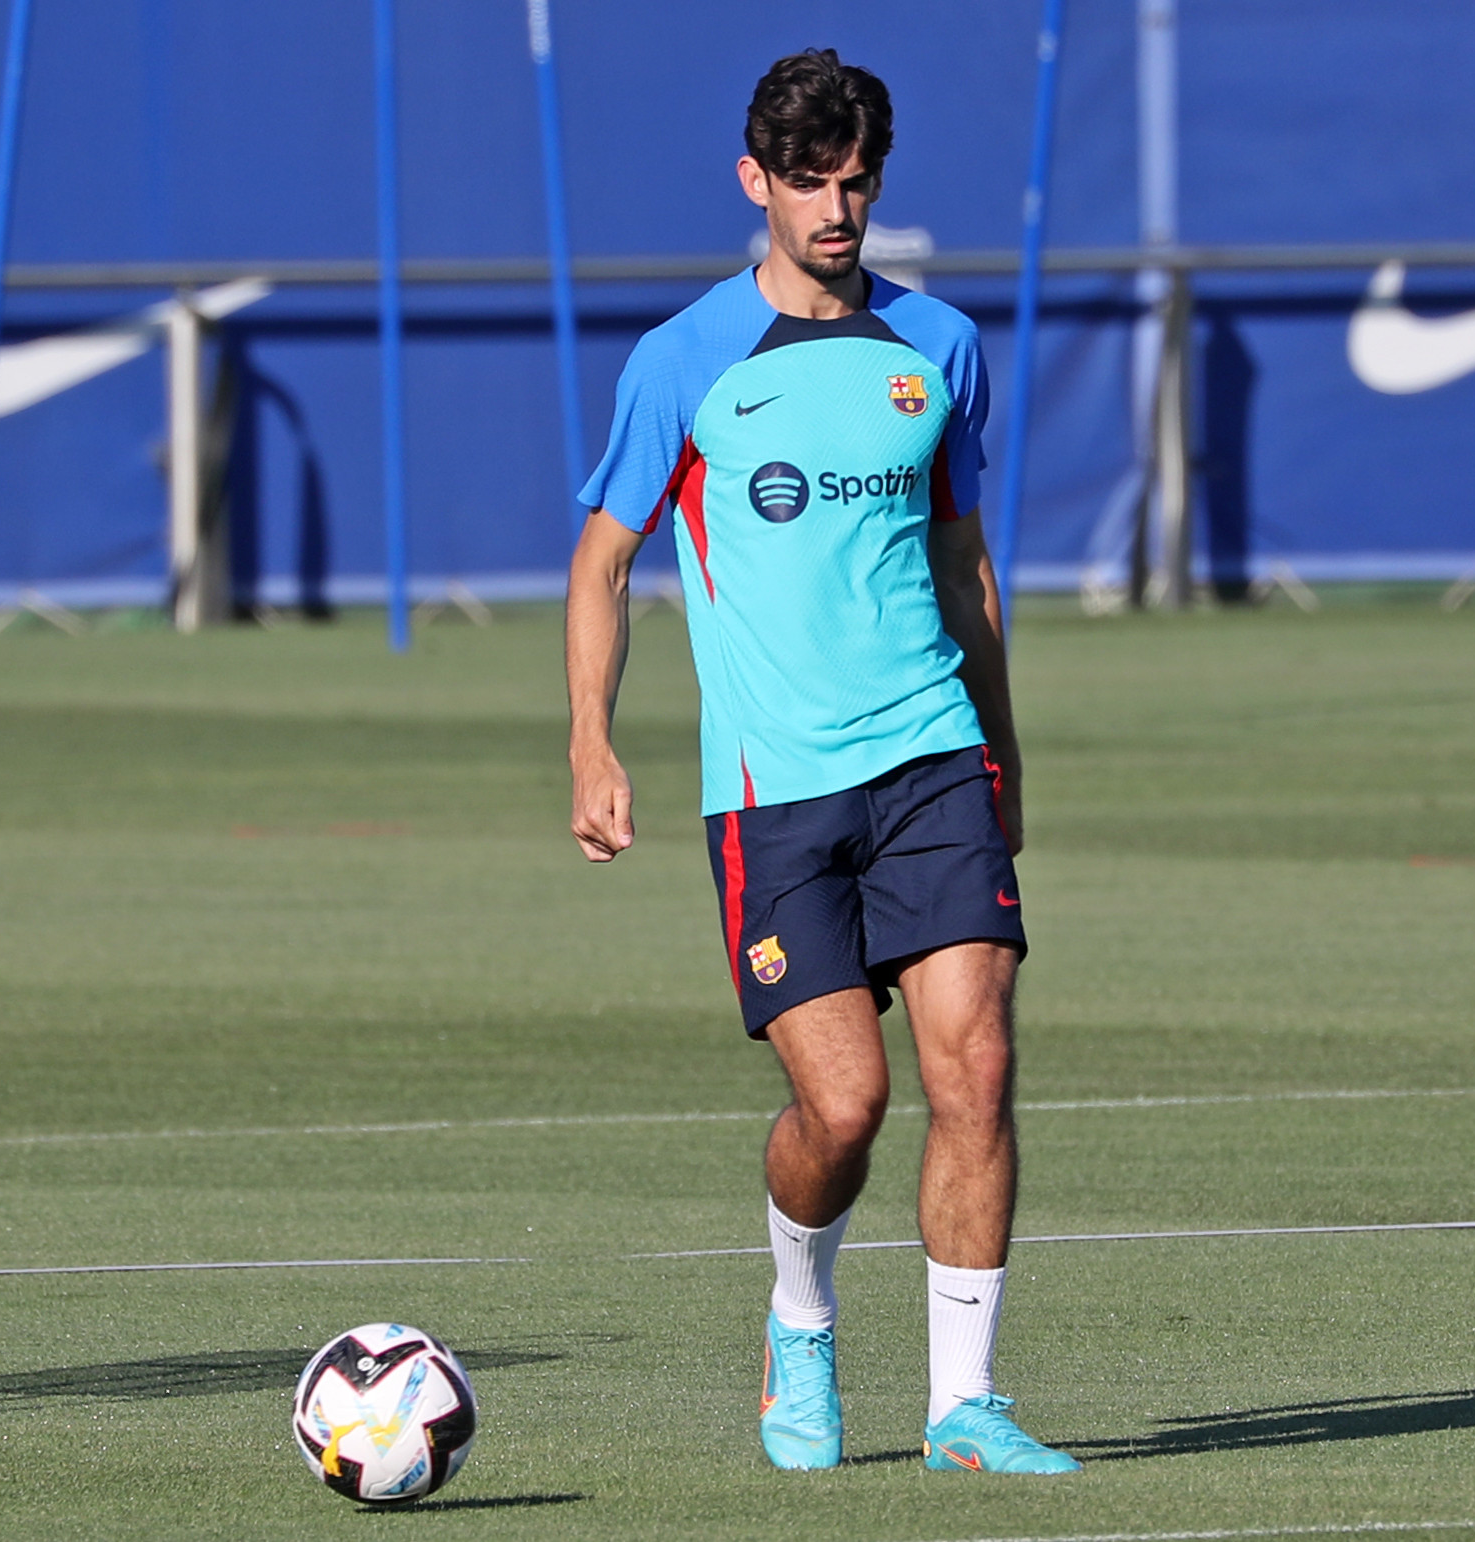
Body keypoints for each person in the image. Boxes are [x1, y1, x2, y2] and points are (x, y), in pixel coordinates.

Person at [563, 49, 1076, 1477]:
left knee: (975, 1066)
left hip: (932, 759)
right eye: (810, 182)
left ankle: (964, 1402)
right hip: (772, 793)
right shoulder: (685, 362)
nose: (836, 207)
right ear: (757, 184)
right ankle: (800, 1315)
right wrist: (592, 740)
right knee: (843, 1106)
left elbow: (965, 564)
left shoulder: (941, 348)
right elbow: (602, 563)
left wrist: (1005, 749)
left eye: (856, 181)